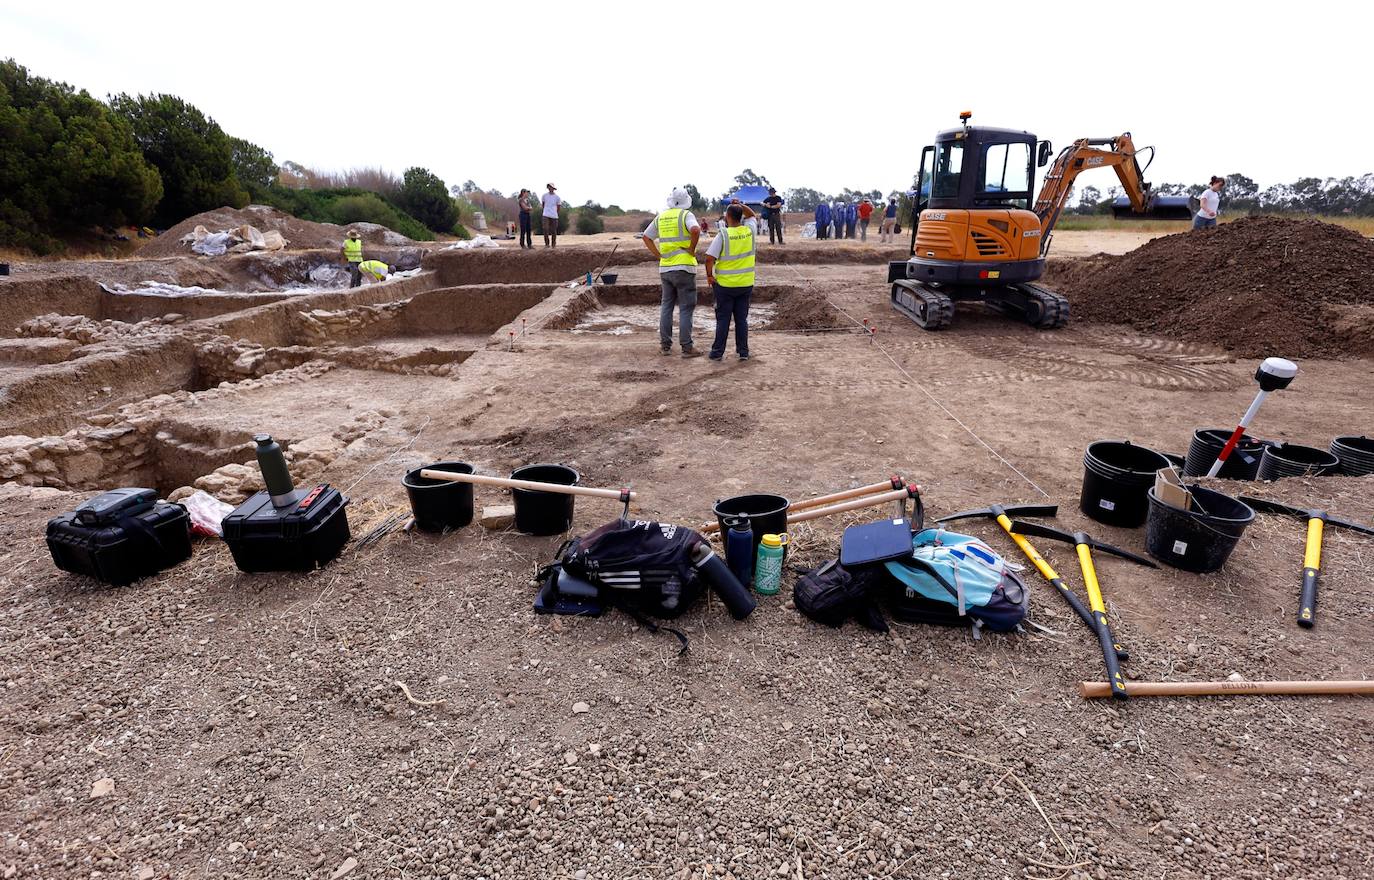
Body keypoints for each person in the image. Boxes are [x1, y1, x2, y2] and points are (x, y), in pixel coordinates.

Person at [641, 188, 703, 358]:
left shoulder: (661, 216)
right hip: (684, 268)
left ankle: (665, 346)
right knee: (685, 308)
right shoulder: (686, 215)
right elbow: (696, 230)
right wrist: (691, 249)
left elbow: (646, 237)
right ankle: (687, 348)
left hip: (666, 268)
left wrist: (658, 255)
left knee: (666, 306)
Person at [704, 200, 757, 362]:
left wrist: (709, 276)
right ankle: (743, 352)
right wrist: (741, 205)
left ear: (727, 217)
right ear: (741, 216)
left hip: (725, 286)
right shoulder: (750, 231)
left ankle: (717, 352)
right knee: (741, 320)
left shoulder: (724, 234)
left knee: (723, 320)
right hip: (745, 284)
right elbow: (753, 215)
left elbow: (709, 258)